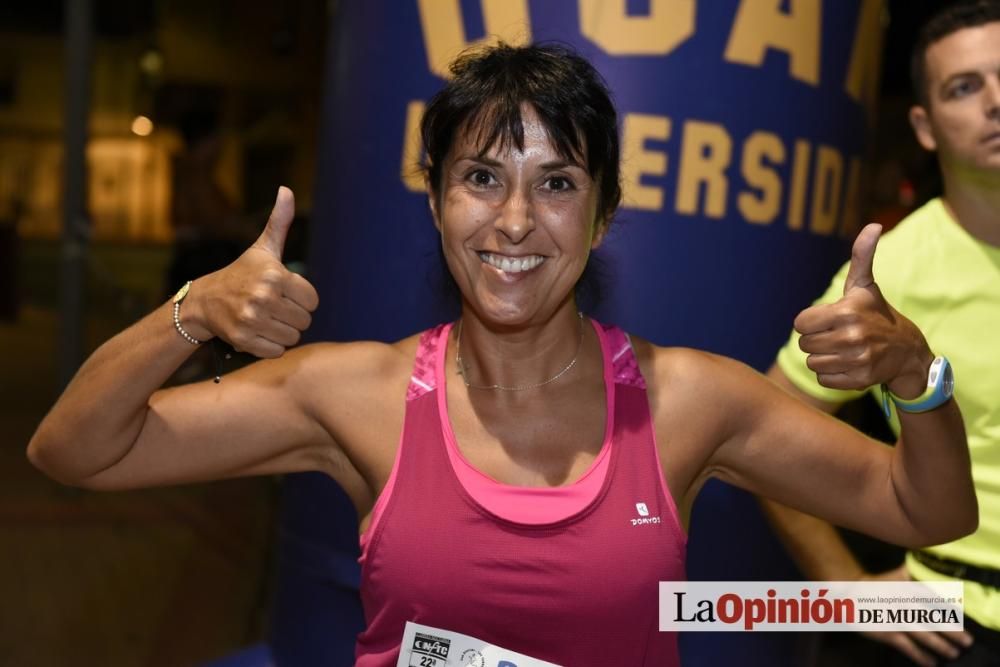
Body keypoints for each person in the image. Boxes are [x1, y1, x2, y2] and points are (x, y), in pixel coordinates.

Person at [27, 43, 976, 666]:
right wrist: (189, 313)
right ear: (436, 198)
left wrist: (914, 376)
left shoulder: (686, 399)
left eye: (556, 183)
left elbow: (929, 509)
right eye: (481, 177)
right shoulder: (351, 393)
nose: (515, 220)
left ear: (601, 216)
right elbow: (74, 449)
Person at [760, 2, 1000, 666]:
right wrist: (849, 591)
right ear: (923, 126)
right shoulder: (892, 269)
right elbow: (767, 434)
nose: (996, 101)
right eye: (964, 86)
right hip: (960, 625)